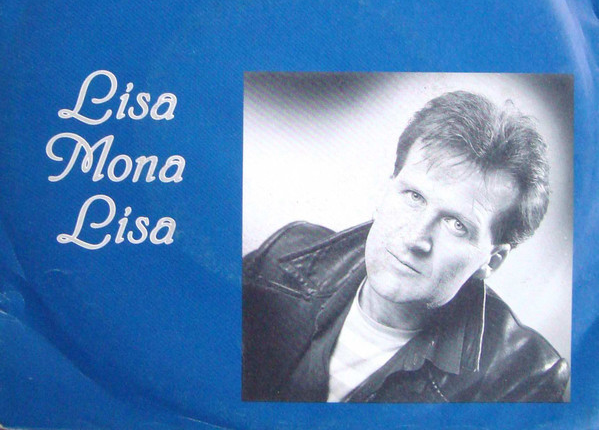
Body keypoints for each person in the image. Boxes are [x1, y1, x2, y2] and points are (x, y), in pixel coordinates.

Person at [242, 91, 570, 403]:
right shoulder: (279, 259)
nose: (415, 239)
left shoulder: (522, 379)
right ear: (386, 191)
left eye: (456, 225)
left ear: (492, 260)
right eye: (414, 197)